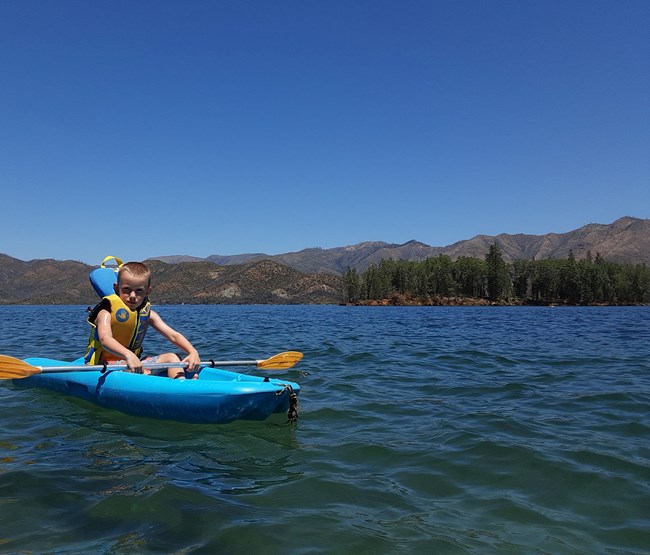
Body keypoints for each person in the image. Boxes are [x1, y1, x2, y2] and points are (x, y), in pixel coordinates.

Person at [84, 261, 200, 378]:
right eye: (126, 289)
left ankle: (181, 384)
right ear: (116, 288)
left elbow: (173, 335)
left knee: (173, 357)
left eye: (139, 291)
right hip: (105, 365)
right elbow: (105, 339)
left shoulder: (149, 314)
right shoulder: (106, 312)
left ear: (147, 292)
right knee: (136, 370)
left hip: (134, 361)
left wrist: (192, 351)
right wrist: (128, 355)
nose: (133, 295)